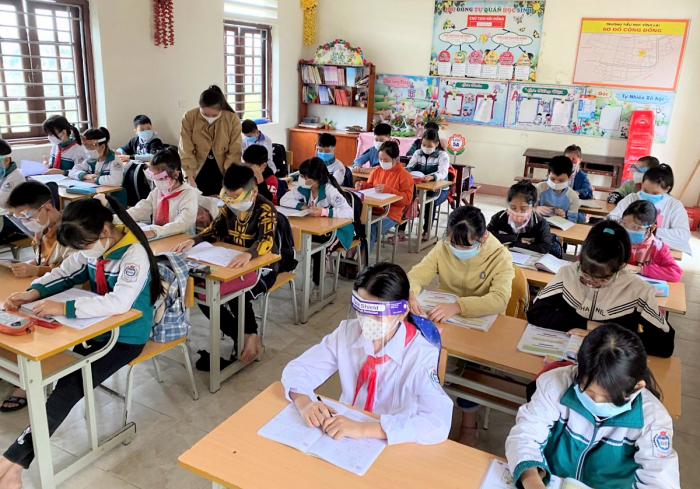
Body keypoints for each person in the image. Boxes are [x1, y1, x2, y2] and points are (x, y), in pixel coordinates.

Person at [0, 195, 163, 487]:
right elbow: (65, 273)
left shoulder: (133, 254)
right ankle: (13, 463)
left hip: (126, 336)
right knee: (58, 373)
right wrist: (31, 293)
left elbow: (119, 303)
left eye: (84, 247)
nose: (82, 253)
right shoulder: (92, 245)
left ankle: (13, 462)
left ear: (104, 232)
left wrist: (63, 308)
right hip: (91, 329)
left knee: (71, 384)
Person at [281, 262, 452, 445]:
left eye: (377, 316)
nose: (367, 322)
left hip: (393, 438)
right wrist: (304, 402)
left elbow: (438, 422)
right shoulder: (347, 333)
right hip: (344, 430)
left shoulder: (420, 353)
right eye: (362, 313)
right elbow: (300, 368)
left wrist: (364, 429)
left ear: (402, 313)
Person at [506, 323, 680, 489]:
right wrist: (533, 482)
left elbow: (660, 481)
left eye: (608, 398)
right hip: (553, 481)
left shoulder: (653, 419)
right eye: (587, 391)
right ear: (577, 369)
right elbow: (525, 436)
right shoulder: (554, 385)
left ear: (637, 387)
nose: (596, 401)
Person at [407, 205, 514, 446]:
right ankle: (421, 411)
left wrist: (458, 306)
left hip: (482, 322)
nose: (457, 250)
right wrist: (410, 292)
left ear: (482, 237)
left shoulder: (499, 255)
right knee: (419, 352)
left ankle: (468, 421)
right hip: (446, 320)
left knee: (471, 368)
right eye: (453, 243)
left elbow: (500, 299)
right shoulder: (444, 246)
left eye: (465, 246)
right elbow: (418, 273)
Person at [171, 165, 277, 366]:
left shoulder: (265, 208)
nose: (231, 202)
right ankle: (242, 336)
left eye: (236, 198)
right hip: (232, 263)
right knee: (204, 294)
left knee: (236, 293)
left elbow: (266, 240)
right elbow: (214, 230)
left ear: (253, 192)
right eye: (227, 197)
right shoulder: (229, 207)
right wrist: (194, 240)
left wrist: (249, 253)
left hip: (263, 267)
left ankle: (249, 334)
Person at [527, 220, 674, 358]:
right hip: (565, 353)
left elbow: (664, 344)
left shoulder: (638, 290)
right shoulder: (568, 273)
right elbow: (536, 313)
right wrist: (587, 325)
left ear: (621, 267)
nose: (592, 284)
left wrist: (605, 334)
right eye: (585, 275)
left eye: (603, 279)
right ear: (580, 260)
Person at [0, 182, 75, 413]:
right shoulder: (42, 230)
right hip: (43, 285)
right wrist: (29, 265)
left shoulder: (72, 230)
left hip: (64, 293)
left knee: (21, 319)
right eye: (19, 217)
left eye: (27, 215)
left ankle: (25, 381)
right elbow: (43, 259)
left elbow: (71, 270)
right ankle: (10, 366)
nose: (25, 221)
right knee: (8, 306)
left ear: (47, 208)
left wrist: (37, 270)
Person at [280, 157, 353, 301]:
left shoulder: (329, 190)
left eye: (303, 177)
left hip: (338, 231)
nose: (300, 179)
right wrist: (302, 206)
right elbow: (284, 200)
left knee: (321, 250)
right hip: (317, 229)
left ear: (314, 179)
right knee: (294, 240)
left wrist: (324, 212)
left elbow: (349, 213)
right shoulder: (304, 189)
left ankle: (317, 287)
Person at [608, 164, 691, 255]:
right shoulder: (632, 198)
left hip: (656, 252)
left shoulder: (674, 205)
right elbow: (610, 219)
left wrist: (647, 231)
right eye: (645, 190)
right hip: (628, 248)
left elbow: (683, 235)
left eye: (655, 193)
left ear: (667, 189)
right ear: (642, 184)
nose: (648, 195)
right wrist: (629, 227)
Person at [179, 85, 242, 196]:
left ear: (221, 109)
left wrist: (229, 177)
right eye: (205, 114)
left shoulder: (232, 118)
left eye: (215, 115)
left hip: (223, 170)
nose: (210, 117)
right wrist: (189, 176)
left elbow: (234, 151)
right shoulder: (189, 117)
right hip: (198, 169)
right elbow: (185, 149)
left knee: (222, 202)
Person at [125, 146, 198, 239]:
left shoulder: (188, 194)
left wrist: (155, 232)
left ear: (175, 174)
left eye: (160, 178)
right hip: (159, 237)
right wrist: (118, 218)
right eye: (154, 178)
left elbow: (183, 223)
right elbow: (140, 209)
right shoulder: (158, 191)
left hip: (182, 240)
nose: (157, 182)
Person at [355, 141, 413, 250]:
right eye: (380, 159)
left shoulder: (404, 175)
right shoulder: (376, 170)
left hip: (392, 213)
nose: (382, 162)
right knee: (357, 226)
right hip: (372, 209)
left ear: (395, 159)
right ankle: (351, 258)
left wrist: (389, 190)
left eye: (386, 160)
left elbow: (407, 199)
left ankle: (362, 259)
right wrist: (362, 185)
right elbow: (371, 186)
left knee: (371, 229)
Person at [488, 180, 561, 258]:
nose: (517, 212)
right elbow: (486, 238)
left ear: (533, 206)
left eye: (523, 209)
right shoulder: (499, 218)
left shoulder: (540, 223)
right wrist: (513, 238)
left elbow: (544, 248)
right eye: (513, 207)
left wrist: (512, 244)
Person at [406, 129, 451, 241]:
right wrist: (406, 172)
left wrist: (432, 177)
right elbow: (410, 167)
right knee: (407, 197)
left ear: (437, 144)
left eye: (430, 146)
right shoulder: (418, 153)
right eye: (424, 145)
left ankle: (426, 231)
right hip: (421, 188)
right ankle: (401, 231)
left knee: (430, 202)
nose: (426, 148)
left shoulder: (442, 155)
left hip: (440, 190)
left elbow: (443, 172)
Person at [621, 200, 682, 282]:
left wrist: (639, 269)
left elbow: (675, 273)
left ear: (652, 228)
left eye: (636, 227)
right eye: (624, 224)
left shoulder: (658, 248)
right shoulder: (617, 241)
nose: (628, 230)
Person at [535, 156, 581, 223]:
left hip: (559, 227)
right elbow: (527, 209)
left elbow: (572, 222)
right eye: (552, 179)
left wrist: (564, 217)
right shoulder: (540, 188)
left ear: (570, 177)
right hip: (539, 225)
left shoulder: (572, 197)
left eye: (561, 180)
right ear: (548, 174)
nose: (556, 182)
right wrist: (536, 209)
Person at [0, 139, 27, 245]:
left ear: (6, 160)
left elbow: (1, 202)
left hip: (12, 221)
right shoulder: (3, 174)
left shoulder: (15, 177)